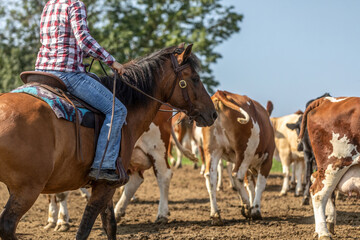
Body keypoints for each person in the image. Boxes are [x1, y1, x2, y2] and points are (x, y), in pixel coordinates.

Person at [35, 0, 128, 185]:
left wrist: (80, 56)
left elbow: (59, 42)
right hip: (67, 74)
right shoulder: (75, 4)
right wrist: (111, 61)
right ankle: (103, 165)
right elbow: (84, 40)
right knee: (117, 110)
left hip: (40, 72)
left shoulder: (49, 4)